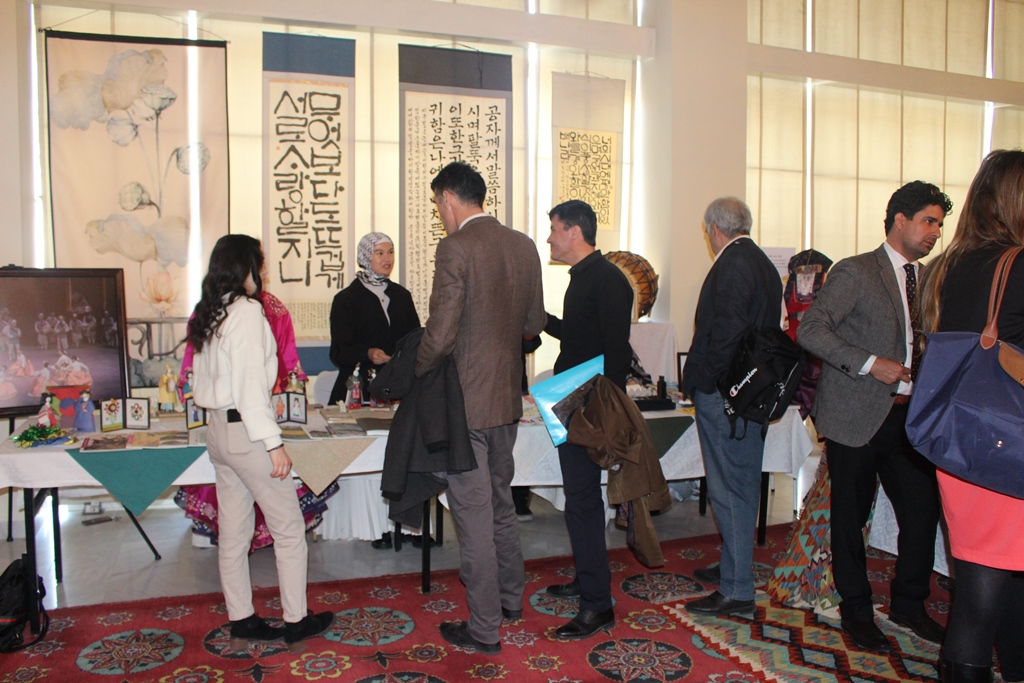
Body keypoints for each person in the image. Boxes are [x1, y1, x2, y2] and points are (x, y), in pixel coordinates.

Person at [797, 180, 952, 653]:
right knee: (849, 519)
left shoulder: (929, 279)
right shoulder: (857, 271)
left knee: (922, 515)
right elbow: (810, 329)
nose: (935, 232)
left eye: (940, 225)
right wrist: (869, 363)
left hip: (910, 418)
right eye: (928, 221)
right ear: (900, 221)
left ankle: (908, 604)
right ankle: (857, 613)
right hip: (857, 414)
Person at [416, 161, 546, 655]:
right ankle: (511, 601)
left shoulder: (456, 247)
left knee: (472, 517)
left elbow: (441, 333)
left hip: (465, 407)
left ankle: (484, 628)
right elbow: (533, 323)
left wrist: (416, 369)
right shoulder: (523, 245)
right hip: (505, 399)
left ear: (449, 198)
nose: (439, 213)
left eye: (437, 204)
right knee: (500, 506)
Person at [187, 234, 333, 649]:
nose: (263, 271)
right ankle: (295, 620)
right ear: (245, 267)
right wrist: (273, 444)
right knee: (288, 529)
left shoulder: (211, 311)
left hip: (219, 432)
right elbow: (251, 389)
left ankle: (242, 618)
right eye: (260, 263)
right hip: (247, 433)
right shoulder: (247, 311)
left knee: (234, 534)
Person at [917, 150, 1024, 683]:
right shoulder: (1017, 264)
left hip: (963, 440)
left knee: (990, 580)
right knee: (984, 596)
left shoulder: (944, 267)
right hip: (1009, 443)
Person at [680, 197, 783, 619]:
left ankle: (738, 589)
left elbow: (727, 332)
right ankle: (732, 567)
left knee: (730, 489)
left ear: (714, 229)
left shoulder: (736, 262)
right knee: (737, 484)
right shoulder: (760, 261)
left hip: (730, 397)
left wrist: (704, 383)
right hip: (747, 395)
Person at [540, 199, 633, 639]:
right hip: (570, 400)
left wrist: (598, 412)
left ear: (574, 232)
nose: (550, 238)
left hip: (585, 406)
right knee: (579, 501)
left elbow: (616, 354)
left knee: (582, 501)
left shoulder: (608, 279)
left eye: (554, 229)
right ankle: (586, 578)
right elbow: (578, 338)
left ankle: (597, 606)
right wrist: (542, 320)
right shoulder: (583, 277)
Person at [327, 232, 420, 406]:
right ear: (365, 256)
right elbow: (338, 352)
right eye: (379, 253)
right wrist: (368, 353)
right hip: (359, 390)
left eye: (391, 252)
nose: (387, 258)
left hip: (398, 388)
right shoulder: (346, 299)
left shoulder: (402, 296)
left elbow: (415, 340)